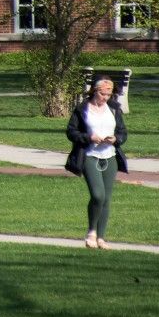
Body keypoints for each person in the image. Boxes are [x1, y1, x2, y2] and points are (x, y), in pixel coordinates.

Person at [65, 74, 128, 249]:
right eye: (102, 94)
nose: (105, 98)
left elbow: (123, 132)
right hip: (89, 155)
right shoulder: (82, 108)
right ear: (94, 91)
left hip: (110, 156)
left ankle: (101, 237)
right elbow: (71, 132)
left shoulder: (114, 108)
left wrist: (116, 139)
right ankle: (91, 231)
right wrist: (88, 137)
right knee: (97, 195)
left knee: (106, 199)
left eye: (108, 95)